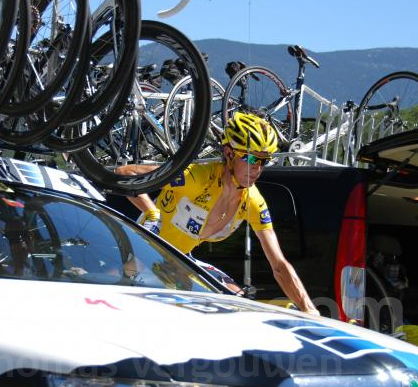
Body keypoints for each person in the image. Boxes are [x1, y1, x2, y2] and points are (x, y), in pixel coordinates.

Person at [116, 112, 319, 314]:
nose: (257, 168)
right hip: (142, 255)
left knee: (237, 302)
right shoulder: (197, 178)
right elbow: (125, 173)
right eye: (249, 158)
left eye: (263, 161)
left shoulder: (252, 202)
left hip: (178, 262)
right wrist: (153, 212)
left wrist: (310, 310)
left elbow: (279, 264)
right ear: (228, 153)